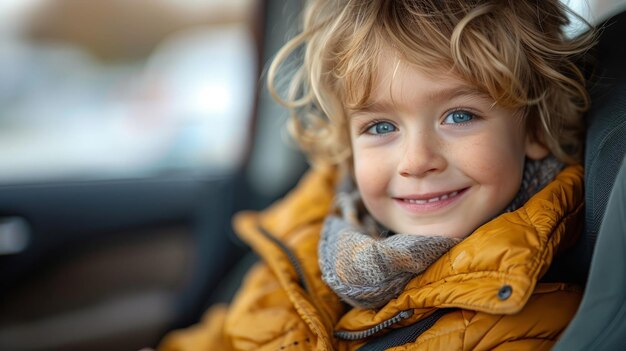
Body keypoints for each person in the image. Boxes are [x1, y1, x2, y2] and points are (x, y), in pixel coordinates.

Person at [158, 0, 595, 350]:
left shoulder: (528, 320)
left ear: (534, 128)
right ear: (347, 146)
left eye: (459, 115)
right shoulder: (304, 245)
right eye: (381, 127)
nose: (417, 160)